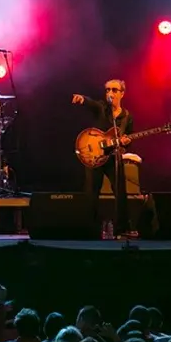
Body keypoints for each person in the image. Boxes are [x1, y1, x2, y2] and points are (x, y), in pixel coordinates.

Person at [72, 79, 133, 235]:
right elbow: (91, 103)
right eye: (107, 90)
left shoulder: (127, 117)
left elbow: (127, 139)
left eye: (114, 90)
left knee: (120, 191)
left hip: (113, 157)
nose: (109, 93)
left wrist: (125, 142)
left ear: (122, 93)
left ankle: (122, 228)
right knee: (92, 192)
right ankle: (90, 228)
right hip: (95, 157)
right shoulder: (101, 108)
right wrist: (82, 99)